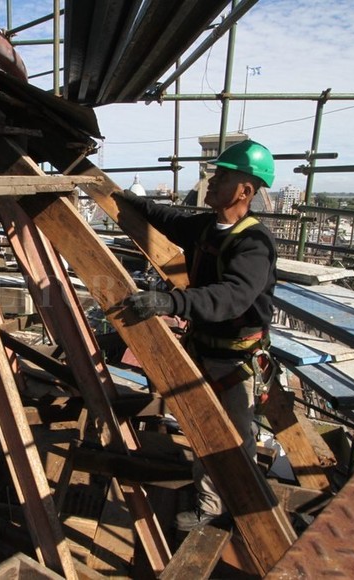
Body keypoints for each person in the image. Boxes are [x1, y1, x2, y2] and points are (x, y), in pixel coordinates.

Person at [119, 139, 278, 532]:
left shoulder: (253, 243)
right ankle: (209, 495)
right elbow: (168, 219)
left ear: (246, 190)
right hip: (205, 349)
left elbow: (233, 297)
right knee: (201, 424)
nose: (211, 180)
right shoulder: (208, 226)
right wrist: (130, 201)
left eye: (222, 176)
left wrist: (170, 303)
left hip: (234, 357)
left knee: (232, 439)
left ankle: (224, 509)